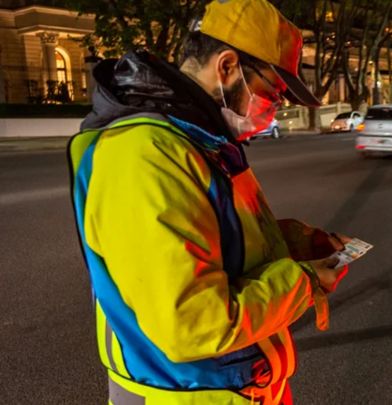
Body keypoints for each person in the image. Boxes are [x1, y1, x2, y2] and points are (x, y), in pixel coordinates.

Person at [66, 0, 350, 403]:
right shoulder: (145, 154)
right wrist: (302, 283)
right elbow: (194, 324)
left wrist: (298, 244)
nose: (276, 109)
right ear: (228, 66)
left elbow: (220, 240)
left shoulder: (199, 141)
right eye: (274, 91)